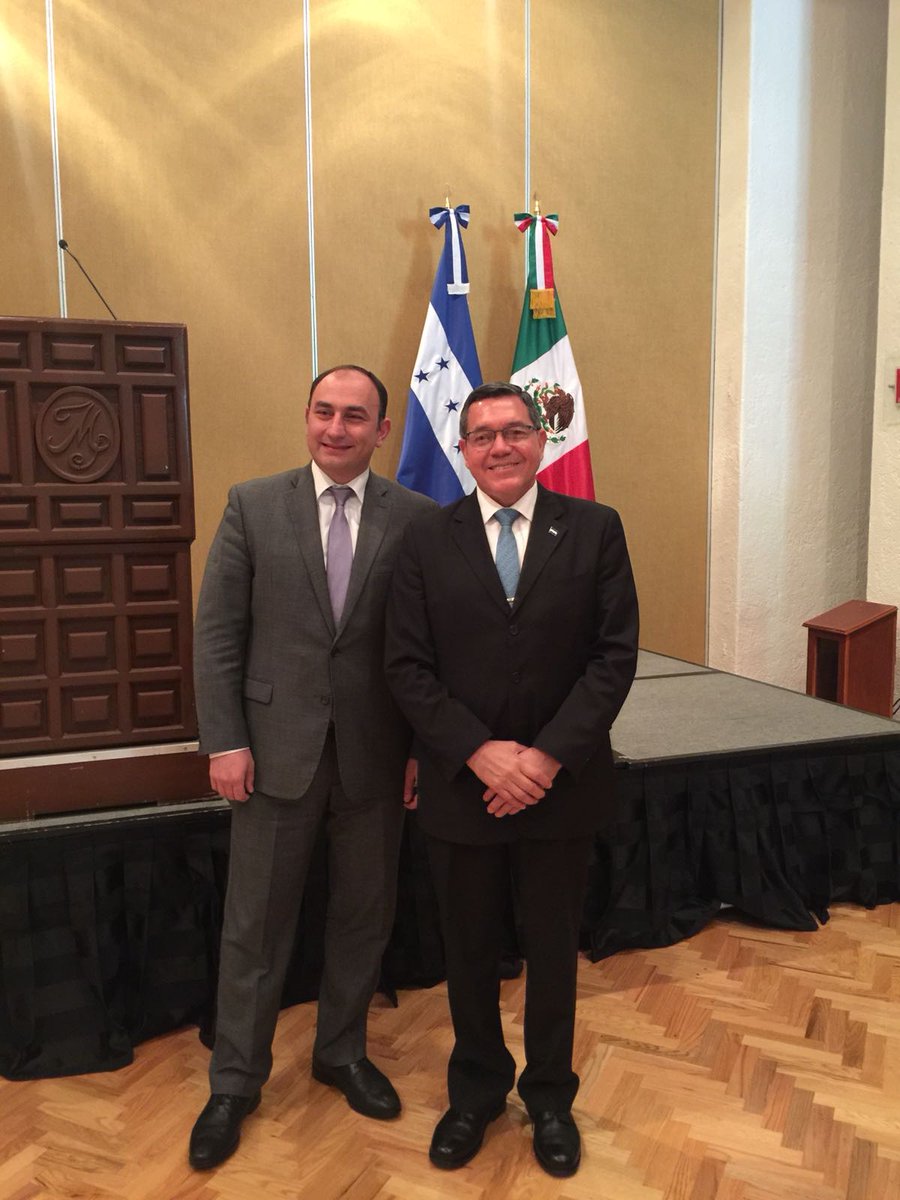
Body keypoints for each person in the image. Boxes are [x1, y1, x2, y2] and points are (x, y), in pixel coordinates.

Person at [384, 381, 638, 1178]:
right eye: (483, 434)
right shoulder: (425, 540)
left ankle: (552, 1098)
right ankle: (476, 1093)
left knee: (555, 952)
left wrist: (544, 757)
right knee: (467, 952)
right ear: (463, 450)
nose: (500, 446)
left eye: (515, 431)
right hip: (464, 787)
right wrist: (480, 753)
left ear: (540, 441)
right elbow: (407, 667)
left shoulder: (595, 528)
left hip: (562, 787)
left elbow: (613, 657)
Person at [189, 365, 435, 1170]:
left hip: (375, 758)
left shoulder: (419, 518)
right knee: (255, 927)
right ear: (306, 417)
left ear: (382, 430)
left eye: (355, 416)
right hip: (270, 755)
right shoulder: (252, 504)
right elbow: (217, 633)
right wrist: (225, 741)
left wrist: (419, 750)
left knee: (364, 916)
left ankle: (341, 1052)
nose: (337, 428)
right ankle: (235, 1082)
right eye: (324, 412)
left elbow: (426, 648)